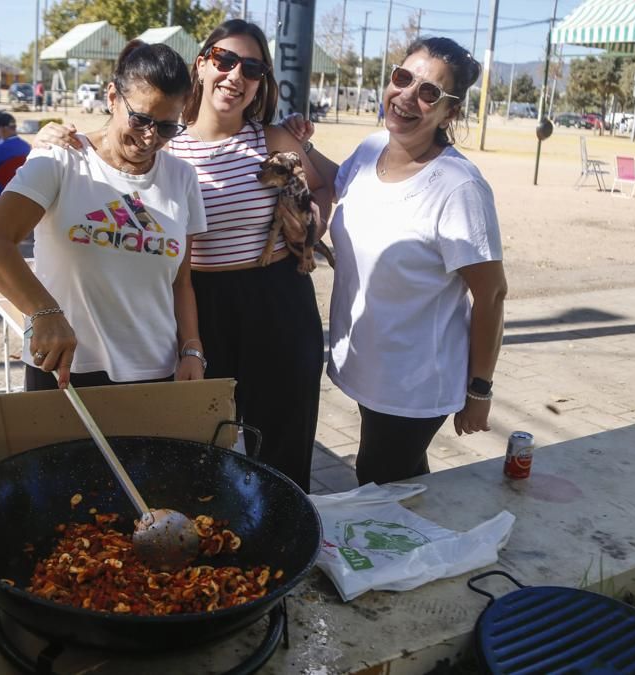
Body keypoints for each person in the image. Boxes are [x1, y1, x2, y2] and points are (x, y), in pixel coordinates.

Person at [32, 20, 328, 491]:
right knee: (202, 436)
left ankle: (284, 529)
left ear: (262, 82)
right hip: (195, 300)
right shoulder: (165, 136)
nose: (235, 75)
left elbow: (326, 182)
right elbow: (106, 143)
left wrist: (310, 227)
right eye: (225, 60)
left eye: (251, 68)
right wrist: (49, 136)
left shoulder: (273, 139)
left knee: (284, 435)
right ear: (202, 63)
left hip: (275, 296)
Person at [285, 37, 507, 486]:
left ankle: (418, 554)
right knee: (400, 480)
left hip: (416, 381)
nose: (406, 96)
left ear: (451, 112)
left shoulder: (458, 187)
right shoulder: (372, 148)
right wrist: (302, 148)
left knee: (378, 479)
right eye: (402, 78)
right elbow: (342, 181)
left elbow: (493, 292)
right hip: (374, 367)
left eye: (429, 93)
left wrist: (479, 389)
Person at [0, 41, 207, 393]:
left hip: (155, 369)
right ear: (112, 97)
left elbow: (180, 282)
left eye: (167, 127)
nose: (149, 137)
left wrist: (191, 347)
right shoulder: (61, 160)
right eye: (140, 119)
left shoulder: (183, 178)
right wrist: (43, 313)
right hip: (65, 365)